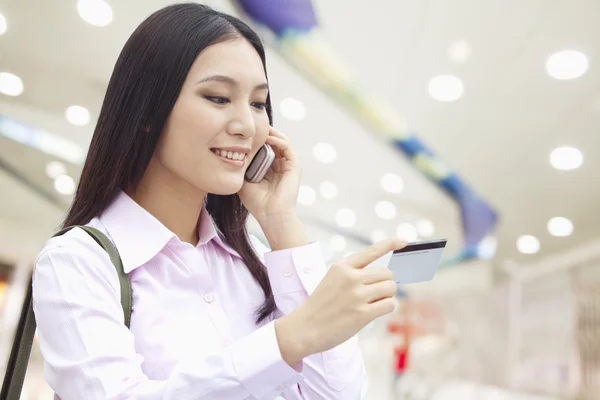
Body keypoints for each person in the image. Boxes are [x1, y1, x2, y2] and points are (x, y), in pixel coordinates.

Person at [32, 4, 404, 399]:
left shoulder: (257, 263)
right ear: (147, 110)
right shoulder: (77, 262)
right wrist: (290, 339)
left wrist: (280, 221)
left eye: (259, 104)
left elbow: (337, 395)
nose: (246, 125)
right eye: (218, 97)